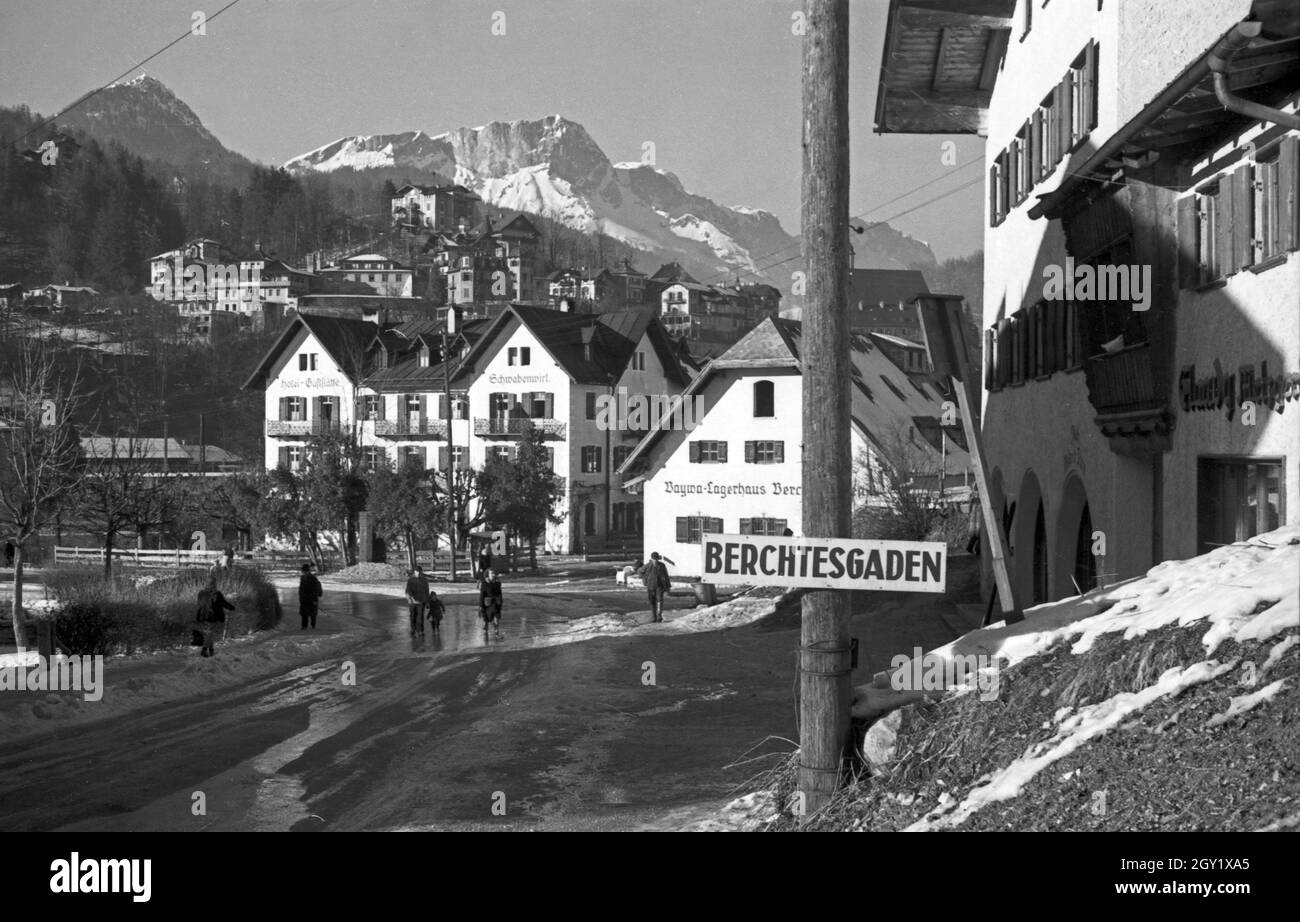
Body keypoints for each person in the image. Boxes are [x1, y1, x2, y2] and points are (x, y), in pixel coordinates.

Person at [195, 575, 235, 658]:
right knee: (210, 633)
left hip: (203, 615)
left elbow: (199, 605)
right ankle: (204, 649)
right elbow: (224, 603)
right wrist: (232, 608)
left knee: (210, 633)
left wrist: (198, 616)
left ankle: (211, 649)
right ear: (214, 584)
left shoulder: (201, 593)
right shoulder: (217, 593)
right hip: (213, 616)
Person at [639, 551, 672, 623]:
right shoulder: (647, 565)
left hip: (660, 585)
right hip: (650, 586)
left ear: (658, 558)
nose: (655, 561)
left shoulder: (662, 565)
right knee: (652, 601)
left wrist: (668, 586)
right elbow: (640, 572)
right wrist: (645, 579)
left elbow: (666, 576)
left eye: (656, 559)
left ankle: (659, 616)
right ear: (651, 559)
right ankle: (653, 616)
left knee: (660, 600)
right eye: (654, 559)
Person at [405, 565, 430, 637]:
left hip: (421, 601)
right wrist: (410, 599)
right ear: (414, 572)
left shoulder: (425, 580)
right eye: (416, 572)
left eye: (419, 572)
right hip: (412, 602)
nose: (418, 573)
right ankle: (413, 628)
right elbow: (407, 591)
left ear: (421, 572)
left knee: (420, 616)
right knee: (413, 616)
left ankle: (420, 630)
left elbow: (427, 591)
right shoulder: (410, 580)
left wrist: (428, 601)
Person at [479, 568, 503, 639]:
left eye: (494, 573)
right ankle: (485, 634)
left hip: (496, 604)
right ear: (488, 575)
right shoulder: (484, 583)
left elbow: (500, 593)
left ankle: (496, 634)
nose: (493, 574)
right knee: (486, 620)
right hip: (487, 604)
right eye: (491, 573)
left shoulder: (498, 583)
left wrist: (501, 602)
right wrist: (481, 606)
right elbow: (482, 595)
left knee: (497, 618)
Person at [299, 563, 323, 629]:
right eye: (303, 571)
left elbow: (315, 590)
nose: (303, 572)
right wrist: (301, 598)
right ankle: (304, 626)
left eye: (304, 571)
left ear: (308, 571)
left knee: (312, 613)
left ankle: (313, 625)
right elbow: (301, 589)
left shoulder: (313, 578)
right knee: (304, 613)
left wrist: (315, 600)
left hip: (312, 598)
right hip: (304, 598)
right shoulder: (302, 578)